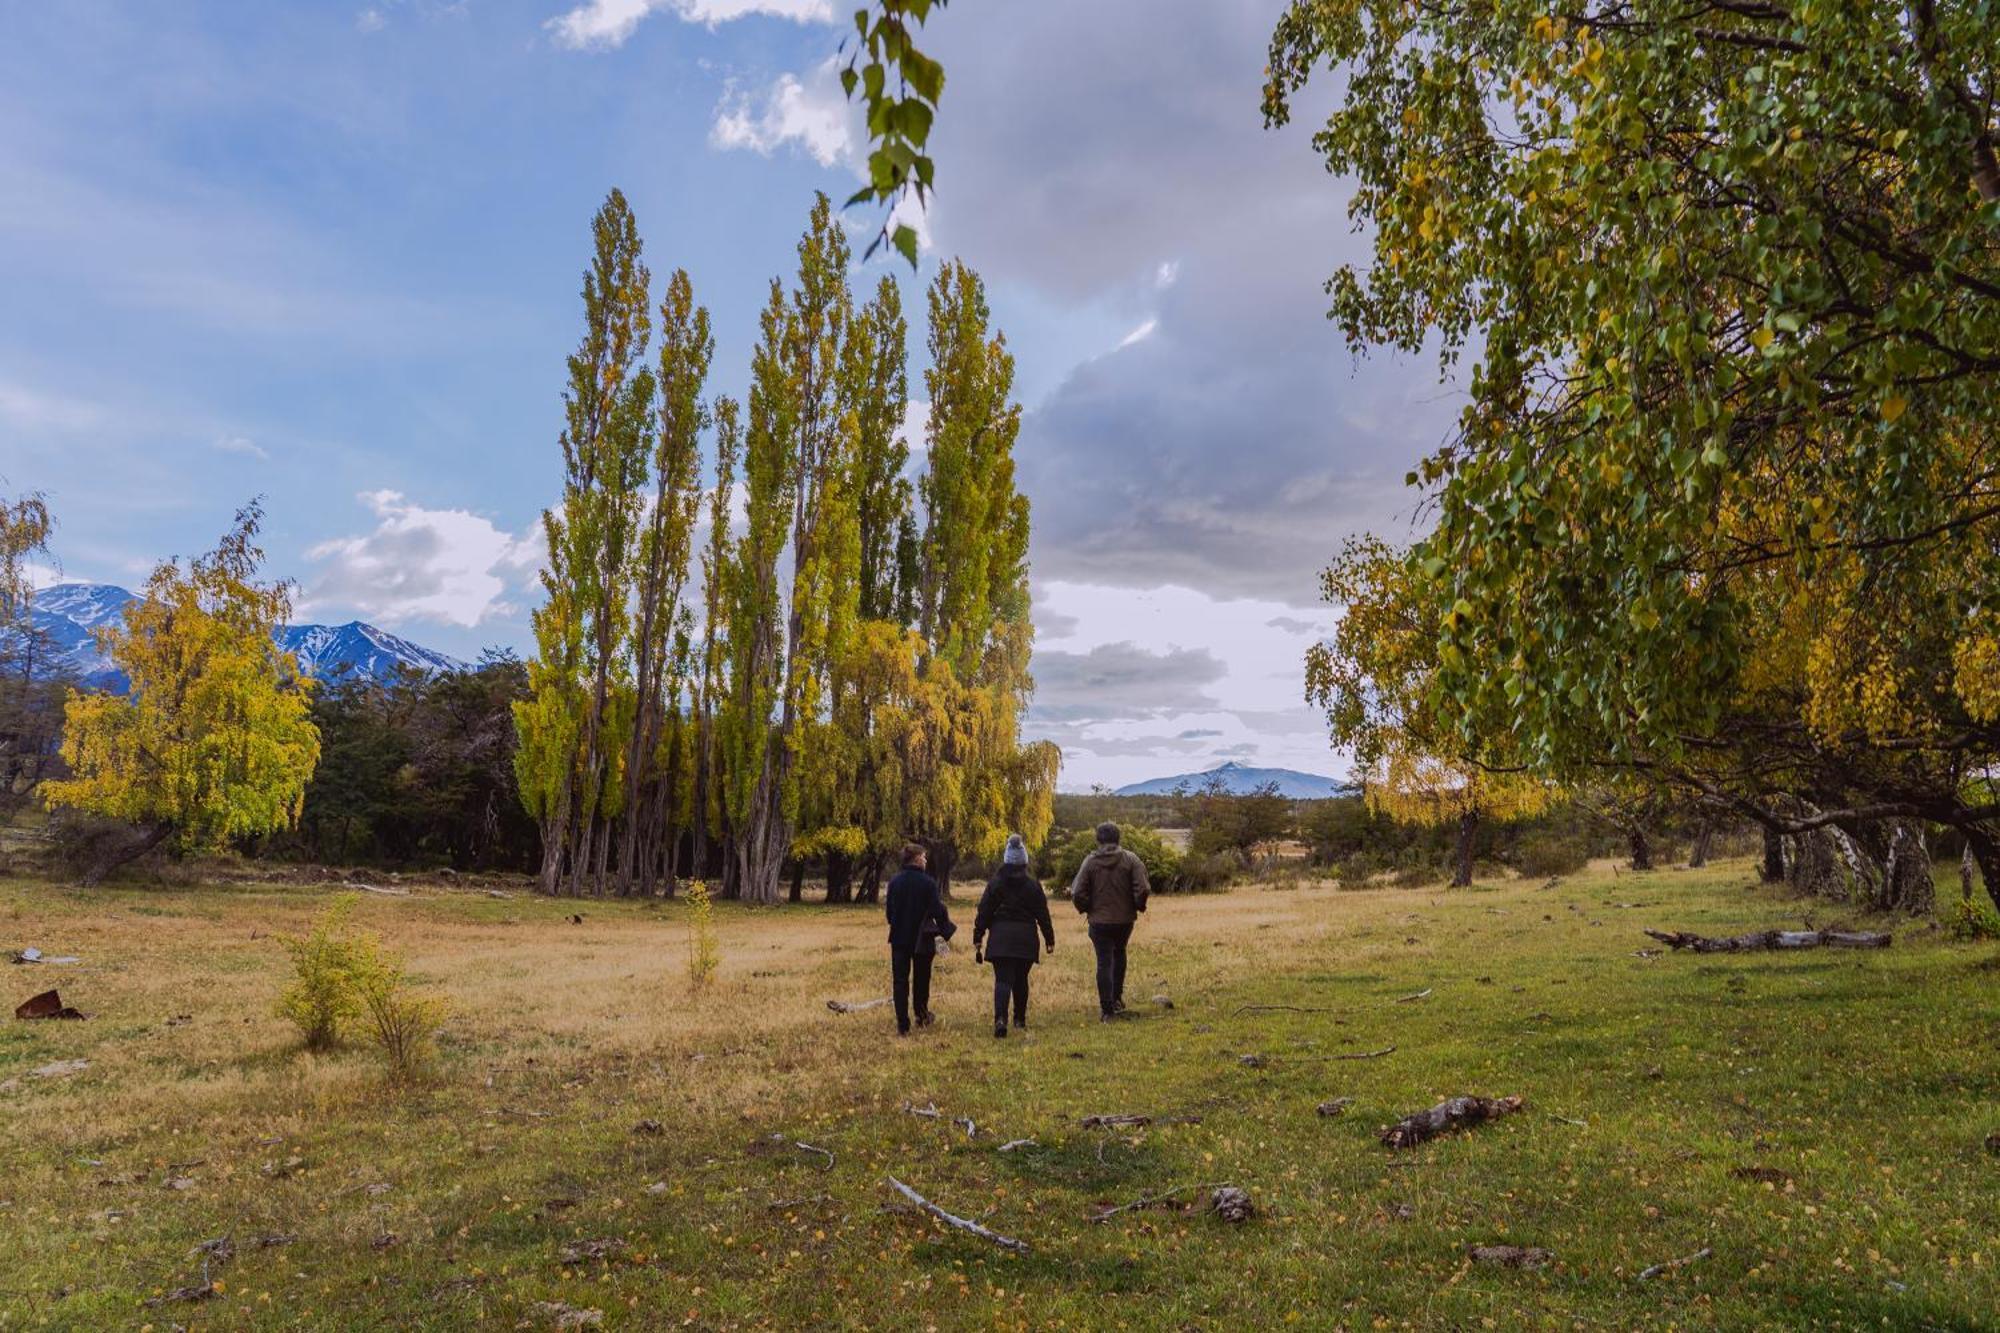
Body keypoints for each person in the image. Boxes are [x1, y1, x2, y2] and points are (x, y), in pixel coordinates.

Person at [973, 833, 1054, 1039]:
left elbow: (984, 911)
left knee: (1002, 980)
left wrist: (978, 935)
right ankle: (1019, 1019)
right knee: (1021, 979)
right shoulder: (1033, 885)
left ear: (1006, 860)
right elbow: (1042, 914)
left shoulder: (995, 884)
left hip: (1000, 937)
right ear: (1024, 861)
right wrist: (1049, 939)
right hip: (1026, 938)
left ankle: (1000, 1019)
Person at [1069, 821, 1151, 1021]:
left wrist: (1086, 908)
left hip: (1099, 921)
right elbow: (1143, 888)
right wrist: (1137, 906)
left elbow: (1077, 892)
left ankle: (1107, 1010)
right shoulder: (1131, 859)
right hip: (1124, 920)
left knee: (1103, 962)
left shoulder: (1090, 862)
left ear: (1098, 840)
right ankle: (1116, 998)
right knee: (1120, 953)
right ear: (1118, 838)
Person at [884, 843, 953, 1036]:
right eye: (923, 857)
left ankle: (902, 1024)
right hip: (922, 938)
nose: (925, 860)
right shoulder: (928, 883)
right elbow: (937, 910)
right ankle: (921, 1015)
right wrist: (945, 930)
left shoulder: (894, 882)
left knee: (900, 981)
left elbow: (889, 914)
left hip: (899, 937)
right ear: (916, 859)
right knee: (922, 979)